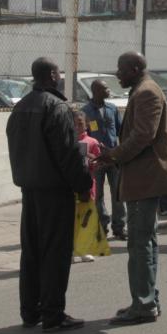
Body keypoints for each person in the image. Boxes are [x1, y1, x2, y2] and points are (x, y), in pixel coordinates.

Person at [7, 57, 92, 332]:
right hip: (55, 191)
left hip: (29, 189)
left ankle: (30, 311)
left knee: (31, 252)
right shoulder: (56, 107)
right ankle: (53, 314)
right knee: (55, 252)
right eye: (59, 73)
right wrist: (83, 185)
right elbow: (67, 153)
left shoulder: (20, 106)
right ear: (53, 75)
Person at [101, 52, 167, 325]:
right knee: (145, 242)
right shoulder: (142, 90)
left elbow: (143, 135)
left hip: (144, 179)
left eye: (121, 69)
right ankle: (147, 300)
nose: (117, 74)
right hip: (142, 179)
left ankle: (144, 304)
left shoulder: (146, 92)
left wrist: (113, 155)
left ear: (135, 69)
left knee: (140, 244)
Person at [83, 80, 125, 240]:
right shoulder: (85, 111)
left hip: (113, 158)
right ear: (95, 91)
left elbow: (121, 131)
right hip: (97, 160)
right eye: (105, 88)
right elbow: (84, 136)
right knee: (98, 195)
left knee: (118, 193)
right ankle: (102, 227)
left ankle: (119, 227)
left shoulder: (112, 109)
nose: (108, 90)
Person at [72, 109, 102, 263]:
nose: (77, 127)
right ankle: (72, 250)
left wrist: (92, 160)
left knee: (86, 218)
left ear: (86, 125)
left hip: (87, 185)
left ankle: (85, 250)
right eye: (74, 124)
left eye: (80, 124)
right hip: (70, 186)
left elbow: (98, 162)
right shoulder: (66, 141)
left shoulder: (92, 142)